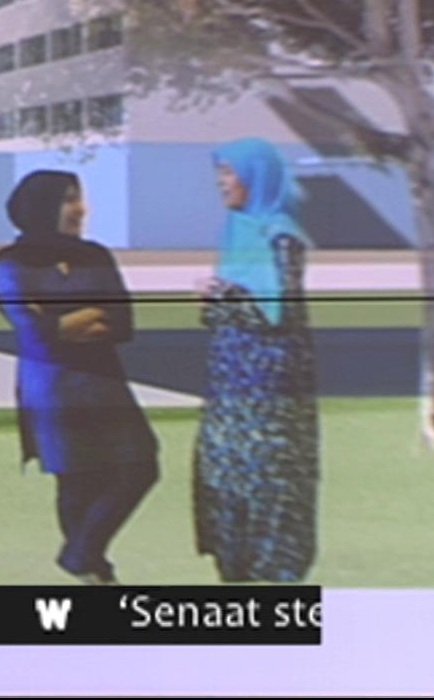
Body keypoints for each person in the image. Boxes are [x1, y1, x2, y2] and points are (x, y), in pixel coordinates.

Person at [0, 170, 159, 585]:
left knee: (140, 467)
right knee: (77, 480)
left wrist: (64, 321)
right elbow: (33, 329)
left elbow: (121, 322)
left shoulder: (96, 255)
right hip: (52, 386)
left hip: (104, 379)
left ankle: (78, 556)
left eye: (79, 198)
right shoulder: (10, 263)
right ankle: (96, 573)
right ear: (41, 206)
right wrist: (78, 318)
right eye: (68, 199)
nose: (80, 209)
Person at [194, 137, 318, 583]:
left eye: (229, 173)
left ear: (257, 177)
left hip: (270, 392)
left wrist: (222, 296)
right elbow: (223, 313)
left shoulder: (280, 236)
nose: (222, 183)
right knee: (225, 476)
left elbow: (278, 313)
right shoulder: (237, 230)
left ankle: (271, 576)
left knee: (269, 481)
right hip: (230, 387)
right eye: (220, 173)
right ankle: (234, 567)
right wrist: (218, 298)